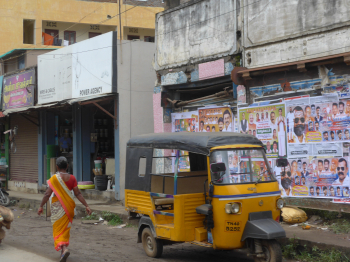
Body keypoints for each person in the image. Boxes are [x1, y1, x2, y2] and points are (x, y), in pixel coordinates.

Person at [37, 157, 92, 261]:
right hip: (69, 207)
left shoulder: (54, 179)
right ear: (67, 166)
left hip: (57, 209)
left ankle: (64, 248)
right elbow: (78, 194)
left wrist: (41, 206)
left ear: (57, 167)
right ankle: (63, 252)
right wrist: (86, 205)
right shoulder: (72, 178)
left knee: (58, 230)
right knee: (65, 230)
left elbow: (47, 194)